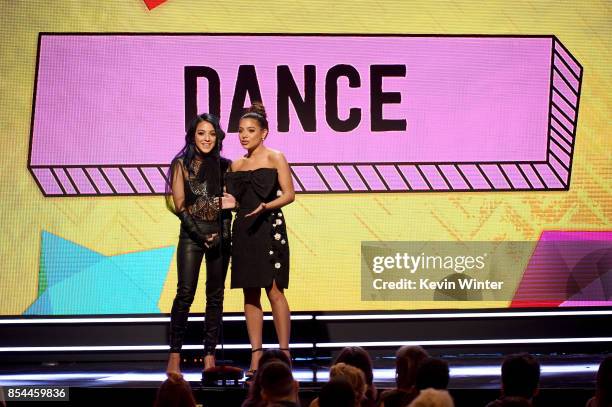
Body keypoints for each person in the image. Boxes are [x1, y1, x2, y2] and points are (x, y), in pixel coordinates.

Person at [224, 102, 295, 378]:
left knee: (275, 291)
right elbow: (233, 200)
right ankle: (256, 356)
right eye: (241, 131)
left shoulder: (276, 157)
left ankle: (285, 355)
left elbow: (289, 194)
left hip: (269, 227)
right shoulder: (235, 164)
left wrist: (266, 207)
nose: (244, 135)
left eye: (250, 130)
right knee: (249, 292)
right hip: (243, 230)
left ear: (264, 132)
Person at [164, 113, 235, 376]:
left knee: (215, 298)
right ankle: (174, 356)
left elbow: (230, 203)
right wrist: (200, 235)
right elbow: (180, 206)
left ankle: (209, 356)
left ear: (218, 137)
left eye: (211, 133)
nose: (206, 138)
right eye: (201, 133)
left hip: (220, 236)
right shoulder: (180, 165)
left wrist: (223, 235)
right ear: (193, 136)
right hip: (192, 237)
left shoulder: (226, 165)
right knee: (185, 294)